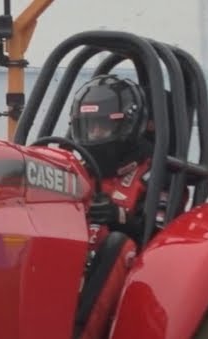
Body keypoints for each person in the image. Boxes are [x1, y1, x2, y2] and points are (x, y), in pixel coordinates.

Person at [68, 73, 158, 240]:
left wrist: (119, 217)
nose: (94, 134)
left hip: (131, 262)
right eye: (89, 127)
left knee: (117, 244)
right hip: (73, 254)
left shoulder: (157, 174)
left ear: (127, 125)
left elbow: (162, 238)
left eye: (102, 126)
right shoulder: (74, 173)